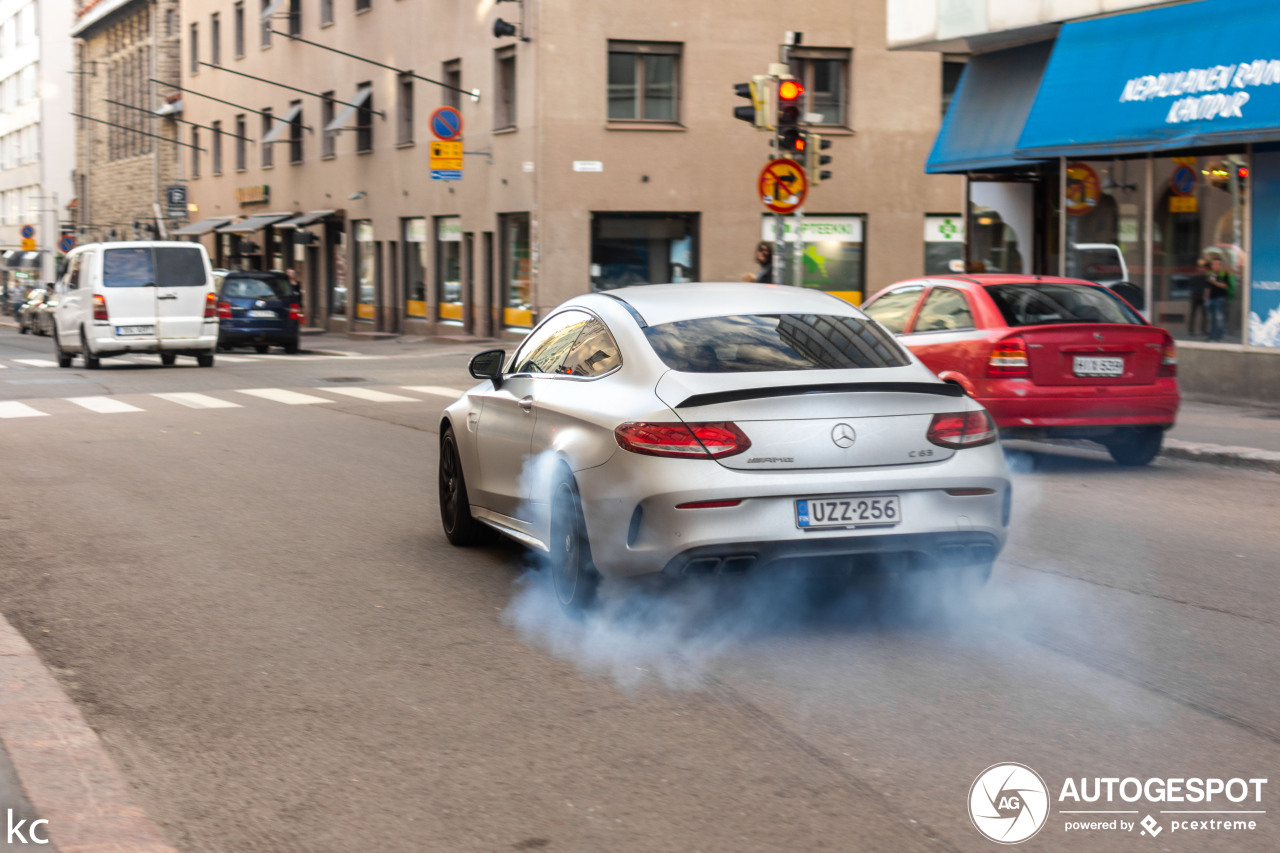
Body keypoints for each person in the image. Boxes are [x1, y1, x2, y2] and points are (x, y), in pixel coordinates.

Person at [1204, 255, 1235, 342]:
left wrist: (1214, 282)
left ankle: (1219, 336)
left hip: (1220, 299)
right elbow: (1208, 287)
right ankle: (1212, 336)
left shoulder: (1224, 273)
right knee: (1212, 319)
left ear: (1220, 265)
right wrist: (1206, 298)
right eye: (1214, 264)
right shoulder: (1211, 274)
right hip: (1211, 299)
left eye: (1217, 264)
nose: (1215, 266)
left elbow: (1225, 285)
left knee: (1220, 318)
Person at [1186, 257, 1209, 337]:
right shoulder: (1197, 273)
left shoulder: (1203, 273)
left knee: (1203, 314)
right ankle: (1192, 331)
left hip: (1201, 295)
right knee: (1194, 314)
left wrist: (1205, 295)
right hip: (1196, 295)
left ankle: (1202, 330)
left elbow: (1207, 285)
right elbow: (1190, 284)